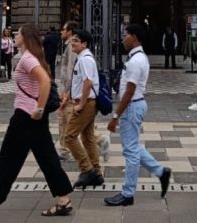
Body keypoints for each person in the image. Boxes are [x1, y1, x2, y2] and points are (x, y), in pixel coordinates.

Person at [0, 24, 73, 221]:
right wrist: (39, 110)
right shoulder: (33, 57)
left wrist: (38, 109)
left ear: (26, 37)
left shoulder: (27, 59)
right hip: (34, 118)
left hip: (25, 117)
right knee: (48, 159)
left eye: (18, 33)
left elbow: (45, 81)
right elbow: (43, 81)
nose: (15, 35)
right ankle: (64, 200)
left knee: (8, 161)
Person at [104, 23, 171, 206]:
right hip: (134, 105)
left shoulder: (136, 61)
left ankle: (128, 193)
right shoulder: (136, 58)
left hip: (132, 106)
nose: (123, 38)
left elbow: (129, 91)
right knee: (133, 146)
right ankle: (160, 172)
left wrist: (115, 117)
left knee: (131, 151)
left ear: (135, 37)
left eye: (126, 35)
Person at [65, 29, 105, 189]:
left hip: (86, 103)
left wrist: (80, 104)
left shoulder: (85, 59)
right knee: (87, 138)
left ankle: (87, 169)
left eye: (75, 40)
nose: (71, 43)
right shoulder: (82, 58)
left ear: (84, 44)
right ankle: (96, 172)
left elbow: (88, 82)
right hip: (85, 101)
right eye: (72, 40)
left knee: (69, 137)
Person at [56, 21, 79, 161]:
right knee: (63, 120)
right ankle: (64, 150)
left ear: (69, 31)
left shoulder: (71, 46)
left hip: (67, 91)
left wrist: (66, 92)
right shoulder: (69, 45)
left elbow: (70, 70)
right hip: (65, 89)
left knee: (71, 121)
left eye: (63, 29)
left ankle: (99, 140)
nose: (61, 32)